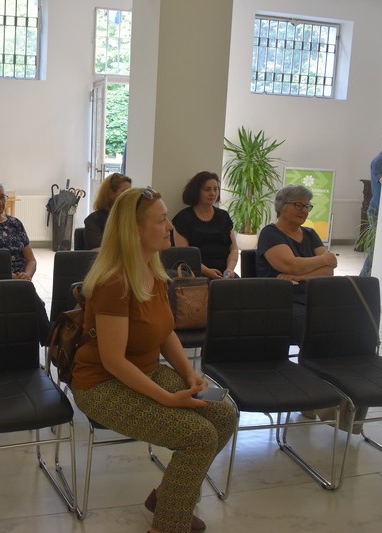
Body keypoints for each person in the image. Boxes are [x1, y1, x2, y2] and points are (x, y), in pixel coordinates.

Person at [70, 186, 237, 533]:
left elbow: (164, 333)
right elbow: (114, 361)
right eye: (161, 221)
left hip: (144, 371)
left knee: (224, 415)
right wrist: (168, 399)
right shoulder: (114, 282)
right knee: (198, 436)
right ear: (134, 231)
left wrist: (189, 374)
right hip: (101, 385)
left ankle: (168, 498)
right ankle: (167, 524)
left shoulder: (153, 269)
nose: (170, 227)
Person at [256, 184, 337, 345]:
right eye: (298, 205)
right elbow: (291, 265)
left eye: (307, 206)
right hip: (283, 301)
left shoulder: (310, 234)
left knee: (344, 320)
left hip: (313, 297)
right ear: (280, 206)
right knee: (313, 328)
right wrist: (324, 259)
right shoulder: (270, 233)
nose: (304, 210)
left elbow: (329, 271)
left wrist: (299, 277)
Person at [172, 171, 238, 278]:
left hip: (225, 274)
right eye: (207, 189)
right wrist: (207, 271)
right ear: (196, 191)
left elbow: (233, 249)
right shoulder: (183, 218)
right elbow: (184, 255)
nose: (213, 193)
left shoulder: (224, 216)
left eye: (215, 189)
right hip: (195, 275)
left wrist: (229, 270)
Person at [360, 130, 382, 277]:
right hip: (377, 211)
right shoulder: (380, 160)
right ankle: (363, 280)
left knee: (378, 249)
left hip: (381, 210)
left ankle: (363, 280)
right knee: (375, 249)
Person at [83, 172, 132, 249]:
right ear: (110, 193)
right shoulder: (93, 220)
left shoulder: (133, 218)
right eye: (124, 192)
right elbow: (96, 250)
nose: (129, 196)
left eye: (130, 192)